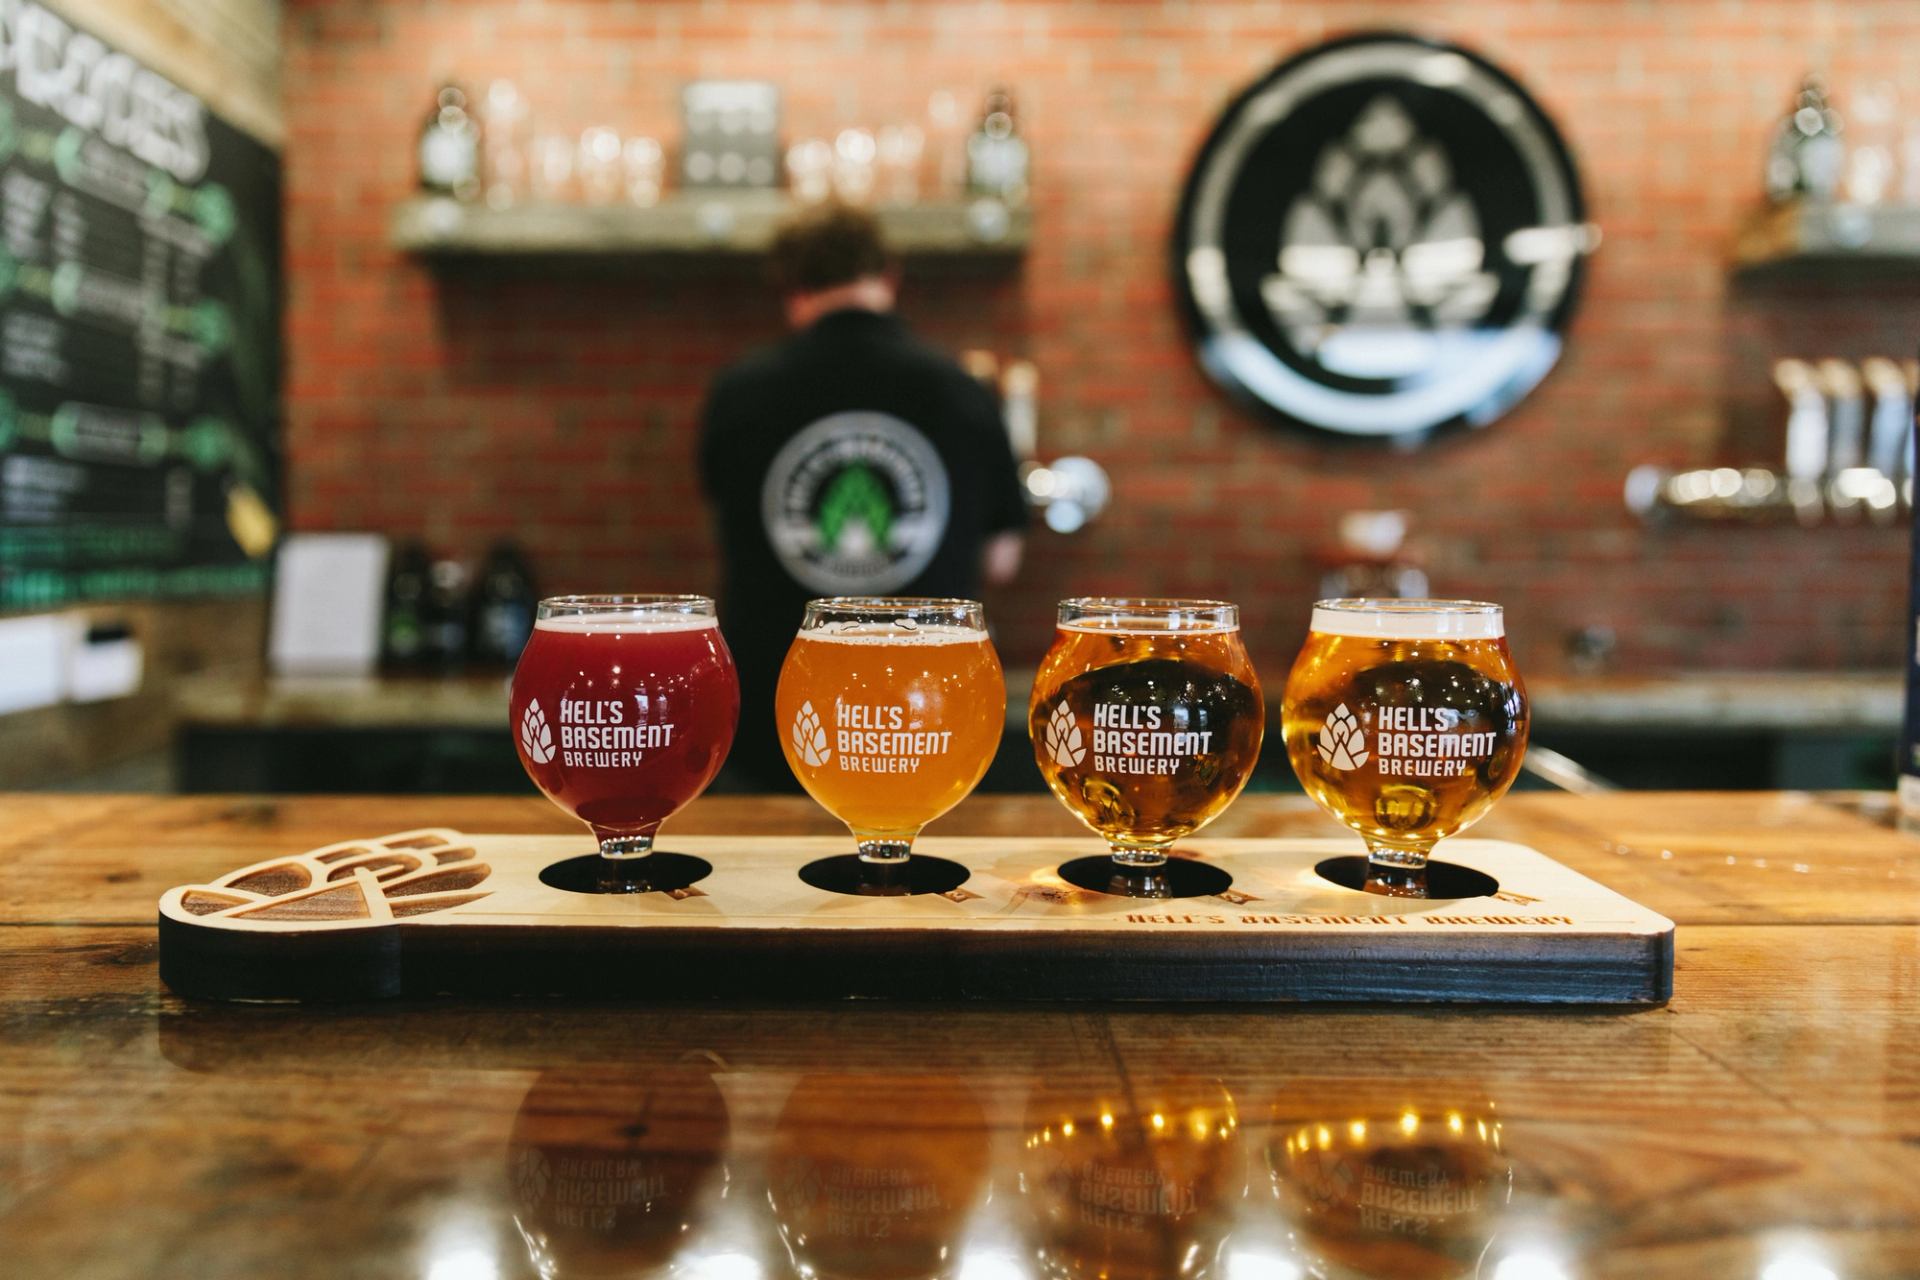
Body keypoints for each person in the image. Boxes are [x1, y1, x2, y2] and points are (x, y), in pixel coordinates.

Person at [699, 202, 1028, 789]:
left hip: (778, 715)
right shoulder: (962, 390)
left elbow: (726, 526)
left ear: (791, 285)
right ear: (890, 276)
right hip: (926, 716)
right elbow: (1002, 561)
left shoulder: (740, 392)